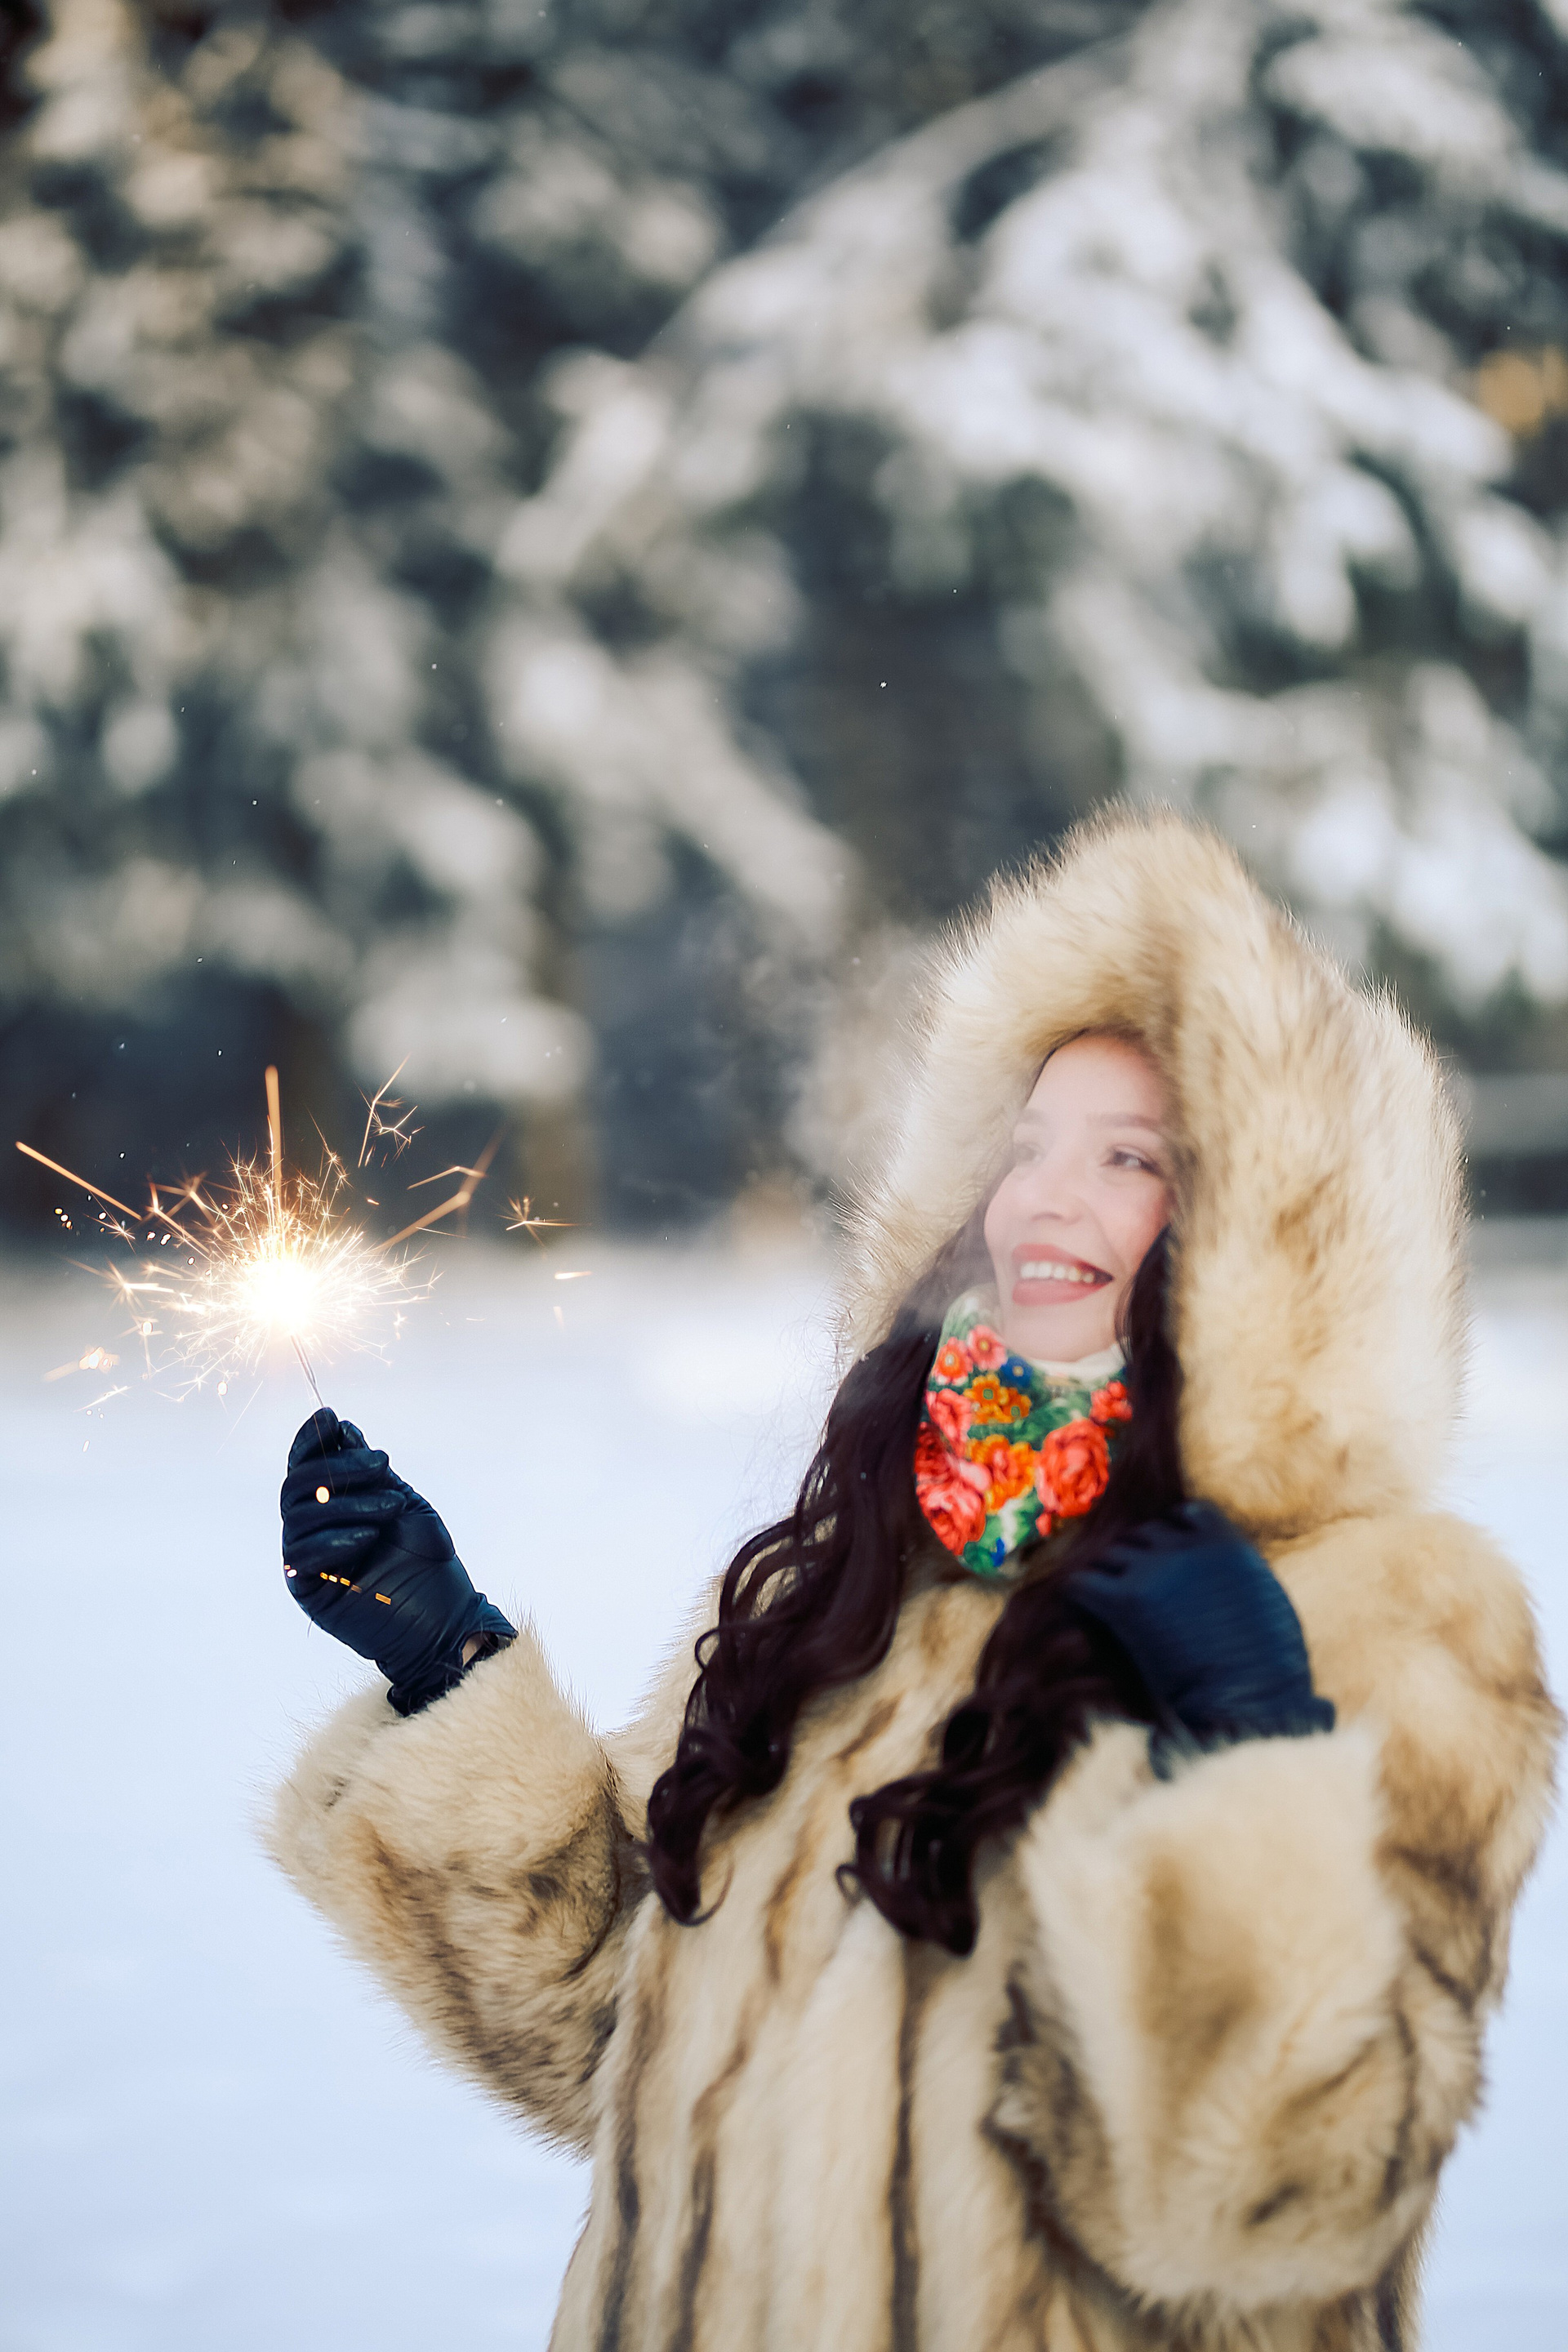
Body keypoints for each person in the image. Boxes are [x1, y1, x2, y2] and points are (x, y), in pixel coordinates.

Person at [270, 812, 1560, 2352]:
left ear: (1269, 1241)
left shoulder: (1394, 1620)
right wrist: (452, 1666)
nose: (1042, 1201)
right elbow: (606, 2034)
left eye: (1129, 1158)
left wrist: (1253, 1757)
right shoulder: (855, 1572)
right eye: (1025, 1147)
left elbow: (1282, 2210)